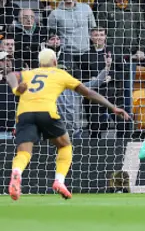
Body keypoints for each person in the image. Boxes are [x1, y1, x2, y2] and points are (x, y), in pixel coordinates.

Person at [6, 48, 128, 201]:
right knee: (64, 146)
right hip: (46, 112)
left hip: (24, 114)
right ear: (55, 62)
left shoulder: (29, 74)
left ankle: (17, 172)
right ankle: (59, 181)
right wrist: (113, 107)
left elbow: (10, 74)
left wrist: (16, 89)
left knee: (24, 153)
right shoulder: (60, 74)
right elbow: (89, 93)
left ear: (39, 63)